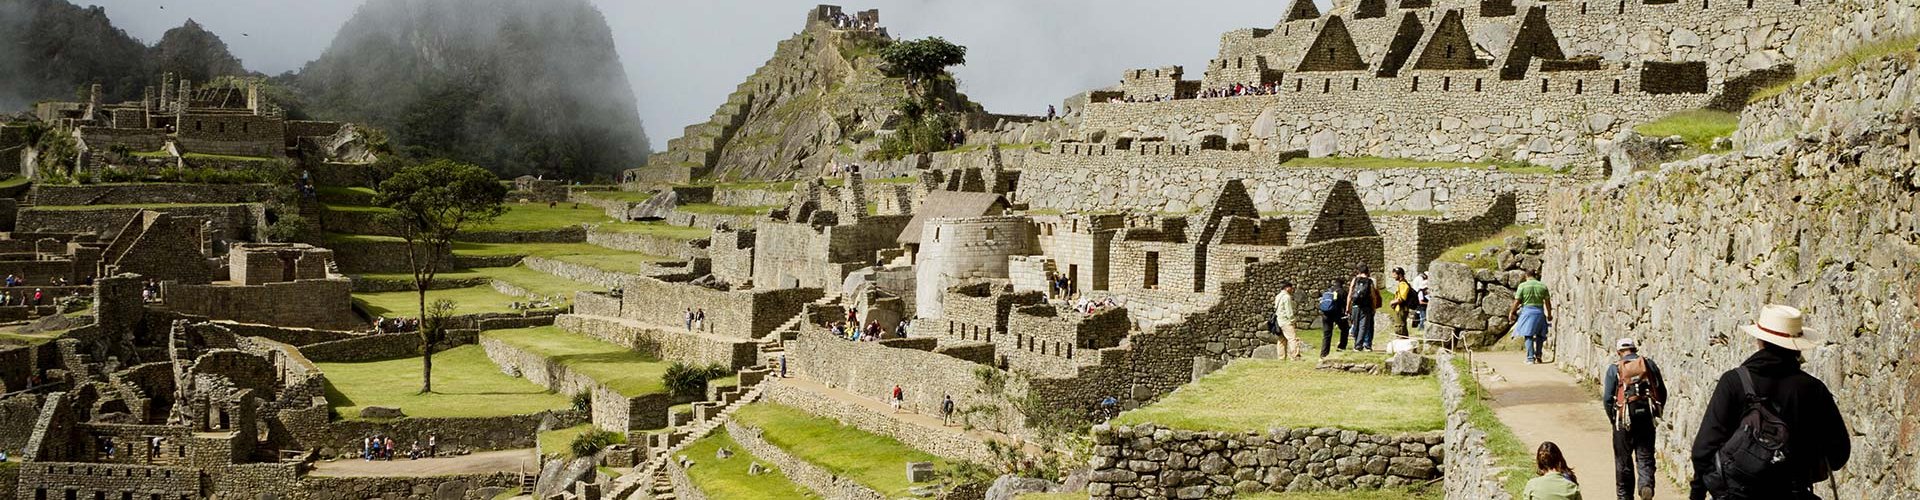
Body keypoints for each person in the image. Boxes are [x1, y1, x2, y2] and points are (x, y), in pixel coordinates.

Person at [1689, 305, 1850, 500]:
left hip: (1738, 493)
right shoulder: (1813, 388)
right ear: (1795, 345)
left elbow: (1703, 449)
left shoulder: (1734, 381)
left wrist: (1697, 492)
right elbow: (1838, 453)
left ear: (1760, 341)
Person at [1604, 338, 1665, 500]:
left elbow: (1607, 399)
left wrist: (1613, 418)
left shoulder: (1614, 369)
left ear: (1619, 353)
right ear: (1634, 349)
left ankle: (1624, 496)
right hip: (1645, 417)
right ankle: (1646, 485)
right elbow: (1661, 390)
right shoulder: (1648, 364)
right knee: (1645, 455)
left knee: (1623, 461)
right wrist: (1657, 412)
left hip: (1623, 419)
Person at [1508, 269, 1553, 364]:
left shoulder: (1523, 286)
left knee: (1528, 335)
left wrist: (1512, 312)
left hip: (1527, 312)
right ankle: (1539, 355)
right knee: (1540, 335)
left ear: (1526, 276)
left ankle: (1530, 358)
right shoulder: (1542, 286)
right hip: (1540, 312)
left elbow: (1517, 301)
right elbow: (1547, 302)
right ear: (1535, 275)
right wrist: (1549, 314)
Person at [1347, 266, 1380, 351]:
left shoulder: (1355, 280)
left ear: (1359, 271)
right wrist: (1374, 307)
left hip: (1355, 306)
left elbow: (1350, 294)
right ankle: (1358, 346)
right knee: (1363, 326)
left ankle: (1357, 344)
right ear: (1367, 272)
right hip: (1366, 307)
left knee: (1356, 325)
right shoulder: (1369, 281)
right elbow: (1373, 296)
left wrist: (1348, 307)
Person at [1318, 278, 1349, 357]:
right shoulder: (1342, 292)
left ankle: (1323, 354)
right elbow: (1345, 304)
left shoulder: (1328, 291)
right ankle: (1341, 346)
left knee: (1327, 334)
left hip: (1326, 314)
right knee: (1345, 329)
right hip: (1337, 314)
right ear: (1342, 284)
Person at [1272, 281, 1302, 359]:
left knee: (1281, 340)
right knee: (1292, 339)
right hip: (1286, 321)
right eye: (1291, 288)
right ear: (1287, 288)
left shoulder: (1278, 296)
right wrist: (1293, 321)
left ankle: (1281, 357)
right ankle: (1295, 356)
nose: (1292, 290)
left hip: (1279, 321)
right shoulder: (1286, 297)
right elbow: (1289, 311)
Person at [1389, 267, 1415, 340]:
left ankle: (1403, 341)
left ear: (1400, 275)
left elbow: (1402, 298)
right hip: (1399, 308)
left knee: (1400, 326)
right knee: (1399, 326)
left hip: (1402, 309)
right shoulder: (1401, 284)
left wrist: (1392, 302)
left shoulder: (1403, 284)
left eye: (1395, 275)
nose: (1393, 276)